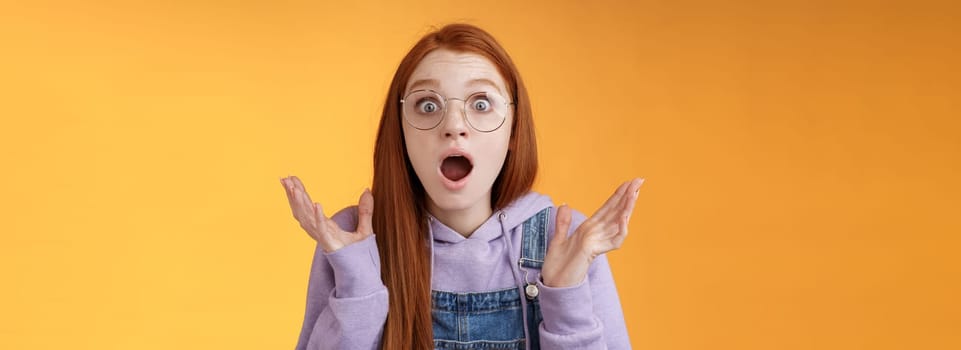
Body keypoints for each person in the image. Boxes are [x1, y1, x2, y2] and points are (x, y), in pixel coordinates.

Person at [281, 23, 643, 350]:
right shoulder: (355, 240)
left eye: (481, 103)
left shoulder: (564, 241)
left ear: (513, 131)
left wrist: (565, 296)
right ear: (401, 130)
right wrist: (358, 285)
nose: (454, 125)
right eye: (427, 105)